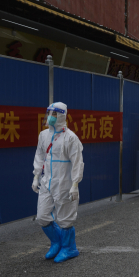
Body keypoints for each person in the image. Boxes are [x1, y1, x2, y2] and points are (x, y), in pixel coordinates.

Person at [32, 102, 84, 263]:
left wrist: (75, 184)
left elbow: (77, 163)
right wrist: (36, 176)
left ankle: (69, 249)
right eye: (49, 113)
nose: (51, 117)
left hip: (64, 183)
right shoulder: (43, 135)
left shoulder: (71, 138)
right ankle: (56, 242)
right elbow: (39, 156)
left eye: (55, 114)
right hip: (46, 182)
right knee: (42, 216)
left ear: (62, 115)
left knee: (65, 218)